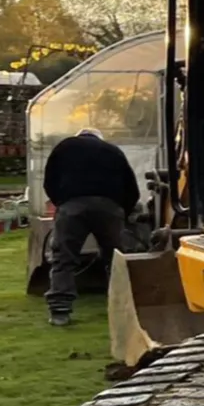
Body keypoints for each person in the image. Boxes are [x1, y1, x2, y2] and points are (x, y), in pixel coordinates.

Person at [43, 127, 139, 327]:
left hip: (72, 206)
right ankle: (123, 305)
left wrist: (62, 202)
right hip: (109, 207)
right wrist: (122, 212)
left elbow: (49, 180)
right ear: (99, 138)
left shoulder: (65, 147)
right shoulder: (113, 151)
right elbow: (132, 188)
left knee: (64, 258)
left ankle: (60, 311)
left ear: (80, 136)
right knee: (115, 258)